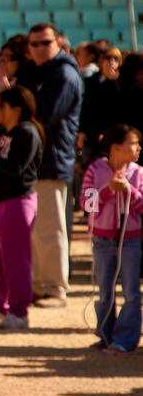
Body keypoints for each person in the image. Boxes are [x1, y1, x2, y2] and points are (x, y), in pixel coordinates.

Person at [0, 86, 45, 330]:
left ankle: (19, 311)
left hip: (18, 202)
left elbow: (15, 168)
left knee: (16, 259)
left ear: (15, 108)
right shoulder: (0, 133)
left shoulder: (28, 132)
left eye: (0, 106)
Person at [24, 22, 82, 308]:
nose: (39, 48)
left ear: (59, 43)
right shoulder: (41, 73)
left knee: (51, 228)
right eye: (34, 43)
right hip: (37, 161)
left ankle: (55, 287)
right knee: (37, 228)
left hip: (52, 160)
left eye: (45, 43)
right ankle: (39, 283)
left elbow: (45, 115)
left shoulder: (63, 74)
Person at [81, 124, 143, 352]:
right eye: (133, 144)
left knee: (131, 292)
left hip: (131, 240)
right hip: (102, 240)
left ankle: (126, 340)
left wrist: (129, 191)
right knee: (104, 292)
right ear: (116, 148)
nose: (137, 149)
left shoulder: (138, 173)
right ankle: (106, 336)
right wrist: (107, 191)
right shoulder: (95, 170)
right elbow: (87, 205)